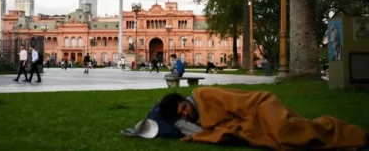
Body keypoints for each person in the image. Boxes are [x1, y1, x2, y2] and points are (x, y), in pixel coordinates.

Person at [123, 87, 369, 150]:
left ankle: (346, 133)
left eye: (184, 108)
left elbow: (238, 104)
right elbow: (160, 118)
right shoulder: (194, 117)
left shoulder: (203, 95)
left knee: (285, 131)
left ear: (185, 100)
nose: (186, 114)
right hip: (252, 119)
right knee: (280, 141)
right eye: (182, 116)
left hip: (260, 105)